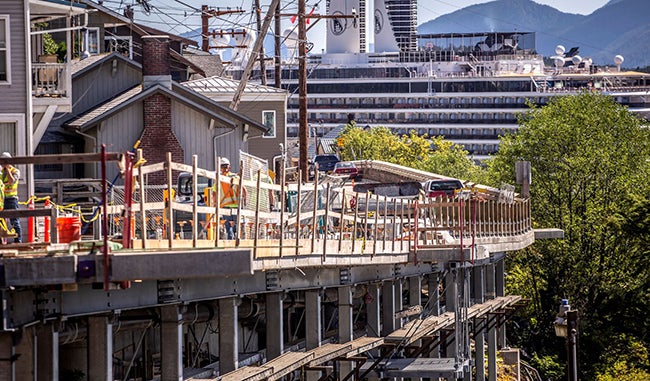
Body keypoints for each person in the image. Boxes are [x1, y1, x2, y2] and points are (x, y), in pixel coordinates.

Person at [212, 158, 246, 240]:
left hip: (225, 205)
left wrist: (215, 203)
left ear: (220, 168)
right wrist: (245, 201)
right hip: (235, 205)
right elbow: (244, 190)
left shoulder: (219, 179)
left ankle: (231, 244)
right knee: (236, 227)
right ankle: (236, 244)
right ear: (229, 167)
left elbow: (214, 193)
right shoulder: (235, 177)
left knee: (228, 228)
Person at [1, 152, 21, 243]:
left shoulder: (15, 171)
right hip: (1, 200)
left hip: (12, 199)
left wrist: (7, 169)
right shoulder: (1, 172)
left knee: (14, 221)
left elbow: (11, 181)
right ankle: (2, 241)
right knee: (1, 221)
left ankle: (18, 241)